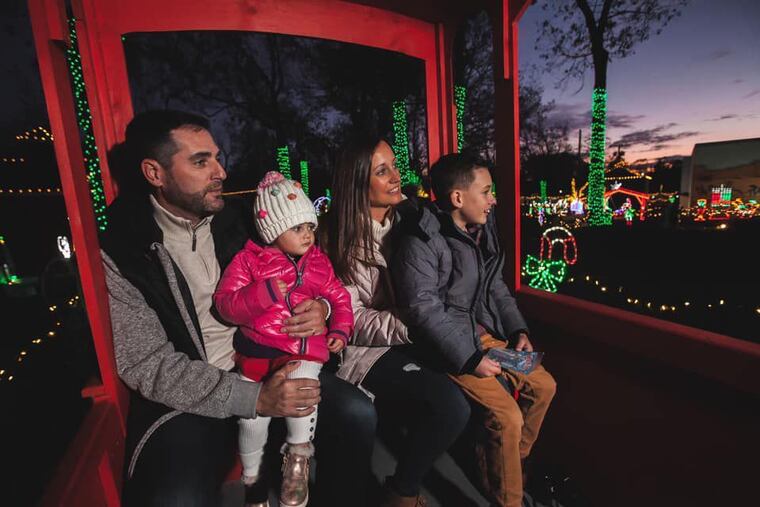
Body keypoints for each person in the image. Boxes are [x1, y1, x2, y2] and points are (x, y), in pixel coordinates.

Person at [100, 110, 376, 507]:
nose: (221, 172)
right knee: (175, 498)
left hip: (273, 357)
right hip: (192, 393)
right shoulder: (125, 249)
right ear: (155, 173)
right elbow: (147, 362)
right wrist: (252, 398)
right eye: (201, 162)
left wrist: (322, 310)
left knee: (357, 414)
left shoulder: (245, 223)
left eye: (217, 157)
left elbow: (310, 270)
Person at [391, 153, 557, 507]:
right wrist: (469, 357)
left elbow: (496, 287)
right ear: (457, 197)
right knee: (507, 416)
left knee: (544, 386)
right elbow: (424, 311)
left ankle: (505, 466)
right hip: (450, 346)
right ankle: (509, 497)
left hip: (483, 337)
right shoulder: (421, 240)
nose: (493, 199)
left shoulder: (482, 231)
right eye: (486, 191)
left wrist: (518, 329)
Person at [322, 136, 471, 507]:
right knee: (451, 406)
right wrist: (414, 323)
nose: (395, 176)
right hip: (364, 350)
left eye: (394, 166)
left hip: (415, 334)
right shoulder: (333, 238)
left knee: (483, 382)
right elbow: (351, 319)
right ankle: (401, 493)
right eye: (381, 171)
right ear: (357, 183)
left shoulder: (412, 220)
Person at [214, 171, 353, 507]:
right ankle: (252, 480)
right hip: (257, 351)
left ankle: (298, 457)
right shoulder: (249, 261)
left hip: (302, 349)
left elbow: (340, 298)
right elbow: (225, 304)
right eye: (297, 228)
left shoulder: (319, 263)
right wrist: (260, 295)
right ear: (273, 231)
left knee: (303, 387)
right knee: (252, 420)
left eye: (309, 226)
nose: (307, 234)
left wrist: (339, 329)